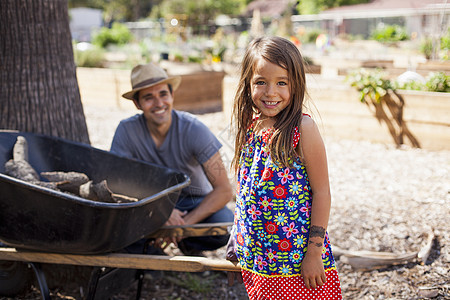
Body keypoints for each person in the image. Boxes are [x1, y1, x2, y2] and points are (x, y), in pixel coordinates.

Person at [227, 36, 342, 299]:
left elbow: (322, 192)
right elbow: (246, 190)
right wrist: (236, 236)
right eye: (261, 82)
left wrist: (314, 252)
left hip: (295, 261)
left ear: (296, 85)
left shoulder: (303, 129)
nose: (271, 92)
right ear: (248, 84)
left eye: (282, 83)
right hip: (258, 258)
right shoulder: (250, 126)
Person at [110, 62, 234, 255]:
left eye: (163, 94)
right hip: (149, 203)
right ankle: (153, 257)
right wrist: (160, 213)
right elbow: (118, 185)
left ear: (172, 95)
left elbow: (224, 190)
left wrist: (181, 227)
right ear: (137, 103)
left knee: (226, 222)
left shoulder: (194, 129)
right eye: (148, 98)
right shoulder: (127, 131)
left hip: (194, 200)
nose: (159, 103)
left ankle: (186, 244)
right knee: (114, 223)